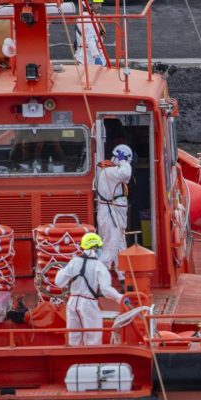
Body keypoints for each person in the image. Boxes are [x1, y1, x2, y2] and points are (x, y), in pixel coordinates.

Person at [55, 233, 125, 346]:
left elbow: (59, 282)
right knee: (93, 337)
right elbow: (106, 290)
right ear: (96, 248)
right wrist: (120, 298)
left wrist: (64, 270)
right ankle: (92, 360)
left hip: (72, 303)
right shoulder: (99, 266)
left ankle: (74, 360)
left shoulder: (74, 262)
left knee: (74, 336)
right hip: (89, 304)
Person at [96, 144, 133, 288]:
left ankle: (123, 277)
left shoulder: (109, 171)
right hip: (110, 215)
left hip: (113, 215)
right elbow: (126, 173)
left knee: (119, 247)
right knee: (109, 248)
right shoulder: (109, 172)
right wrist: (123, 161)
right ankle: (97, 281)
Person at [75, 0, 106, 65]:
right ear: (90, 3)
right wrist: (97, 57)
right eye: (97, 3)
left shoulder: (90, 16)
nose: (100, 6)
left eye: (100, 3)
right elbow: (90, 39)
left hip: (88, 58)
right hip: (90, 60)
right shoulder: (87, 18)